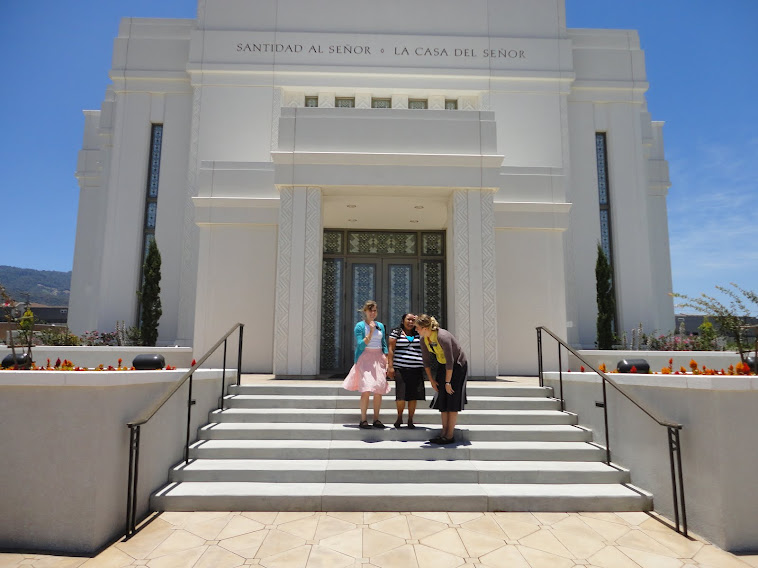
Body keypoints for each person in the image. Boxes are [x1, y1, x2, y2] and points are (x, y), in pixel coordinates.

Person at [414, 314, 468, 444]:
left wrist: (448, 382)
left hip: (457, 366)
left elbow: (451, 361)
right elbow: (426, 361)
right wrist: (432, 380)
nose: (416, 330)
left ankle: (449, 435)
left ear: (425, 328)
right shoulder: (424, 339)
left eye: (417, 328)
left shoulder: (442, 337)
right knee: (443, 399)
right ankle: (443, 432)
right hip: (442, 366)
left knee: (452, 398)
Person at [341, 300, 390, 429]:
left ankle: (376, 419)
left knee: (379, 390)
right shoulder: (360, 326)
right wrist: (371, 332)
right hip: (365, 358)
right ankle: (363, 420)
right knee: (366, 389)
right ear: (365, 312)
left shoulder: (380, 326)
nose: (373, 313)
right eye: (370, 310)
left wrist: (386, 358)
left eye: (375, 310)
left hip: (378, 359)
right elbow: (361, 344)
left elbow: (384, 343)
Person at [387, 313, 425, 428]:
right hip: (401, 369)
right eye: (408, 319)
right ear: (403, 321)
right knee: (401, 396)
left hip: (417, 369)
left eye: (413, 320)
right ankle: (399, 417)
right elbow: (391, 349)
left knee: (413, 396)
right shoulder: (396, 332)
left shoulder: (419, 332)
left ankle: (410, 419)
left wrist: (420, 321)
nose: (410, 322)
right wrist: (390, 367)